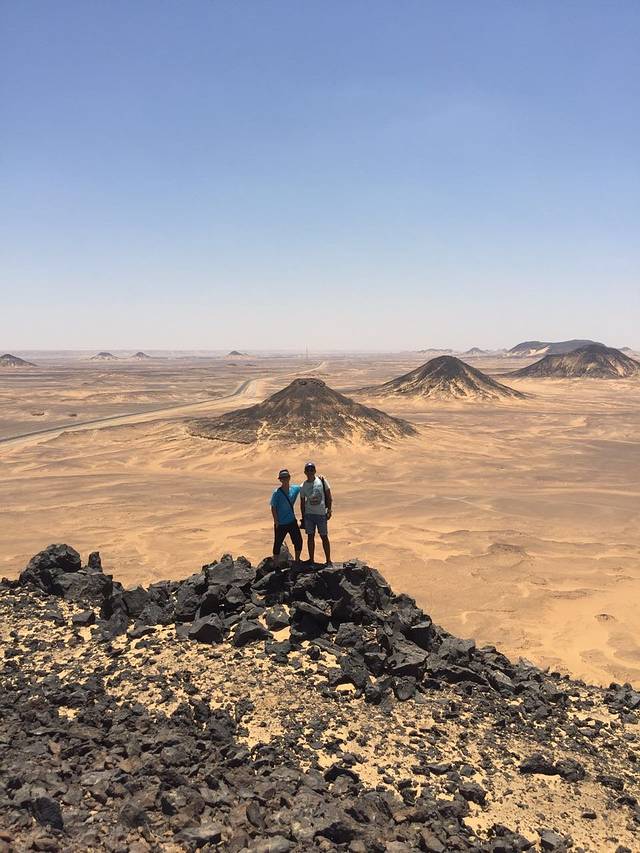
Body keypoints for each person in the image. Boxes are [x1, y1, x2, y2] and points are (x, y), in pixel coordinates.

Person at [300, 461, 332, 566]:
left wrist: (329, 510)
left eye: (312, 470)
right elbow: (302, 502)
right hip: (309, 515)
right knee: (310, 537)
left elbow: (328, 495)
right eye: (308, 470)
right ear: (305, 472)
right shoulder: (303, 486)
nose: (310, 472)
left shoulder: (322, 481)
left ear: (315, 471)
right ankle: (312, 561)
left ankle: (328, 561)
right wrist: (303, 517)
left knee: (324, 536)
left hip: (321, 514)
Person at [270, 469, 302, 563]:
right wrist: (276, 521)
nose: (285, 479)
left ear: (289, 478)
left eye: (286, 477)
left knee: (298, 541)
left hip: (292, 521)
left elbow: (304, 486)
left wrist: (319, 479)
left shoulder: (295, 489)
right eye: (283, 478)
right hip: (281, 523)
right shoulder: (277, 493)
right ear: (280, 480)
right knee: (277, 543)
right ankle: (276, 564)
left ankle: (297, 560)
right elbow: (273, 507)